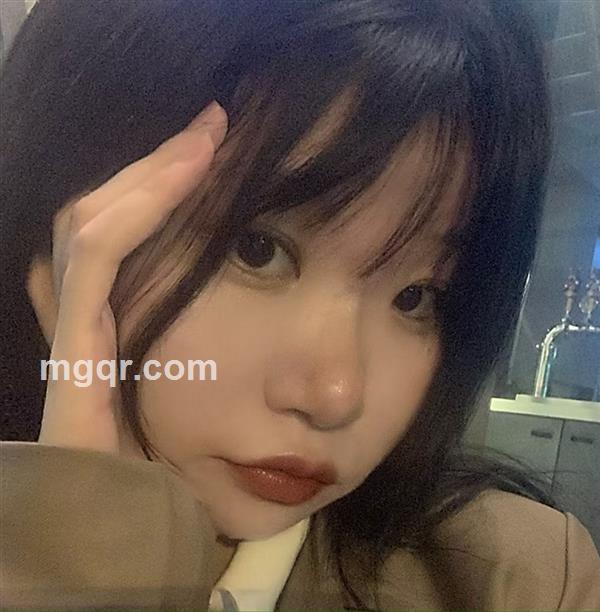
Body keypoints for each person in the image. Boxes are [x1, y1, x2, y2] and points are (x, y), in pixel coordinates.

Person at [1, 0, 599, 610]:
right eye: (257, 251)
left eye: (415, 297)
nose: (335, 395)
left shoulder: (519, 583)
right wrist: (79, 531)